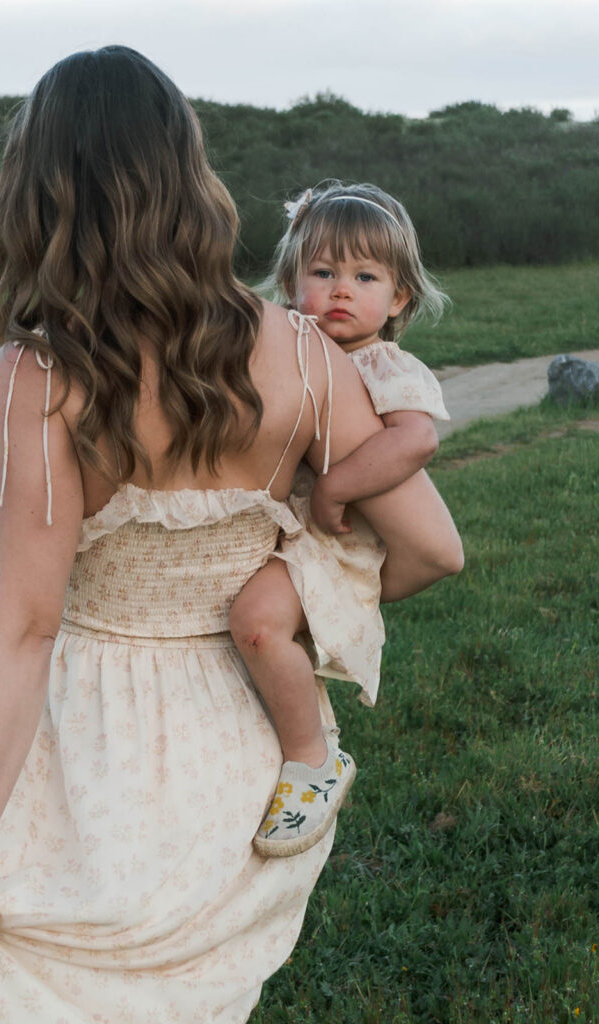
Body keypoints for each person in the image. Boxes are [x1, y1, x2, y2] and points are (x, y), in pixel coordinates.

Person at [0, 47, 462, 1024]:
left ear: (37, 191)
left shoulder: (38, 377)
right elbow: (432, 550)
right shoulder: (307, 353)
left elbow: (23, 630)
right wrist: (297, 596)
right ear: (190, 176)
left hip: (87, 754)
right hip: (244, 754)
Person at [229, 182, 456, 858]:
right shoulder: (288, 351)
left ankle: (313, 762)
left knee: (256, 623)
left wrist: (336, 487)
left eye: (364, 277)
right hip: (293, 533)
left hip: (335, 544)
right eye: (323, 272)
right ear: (290, 283)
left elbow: (416, 439)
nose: (340, 291)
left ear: (398, 299)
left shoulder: (380, 363)